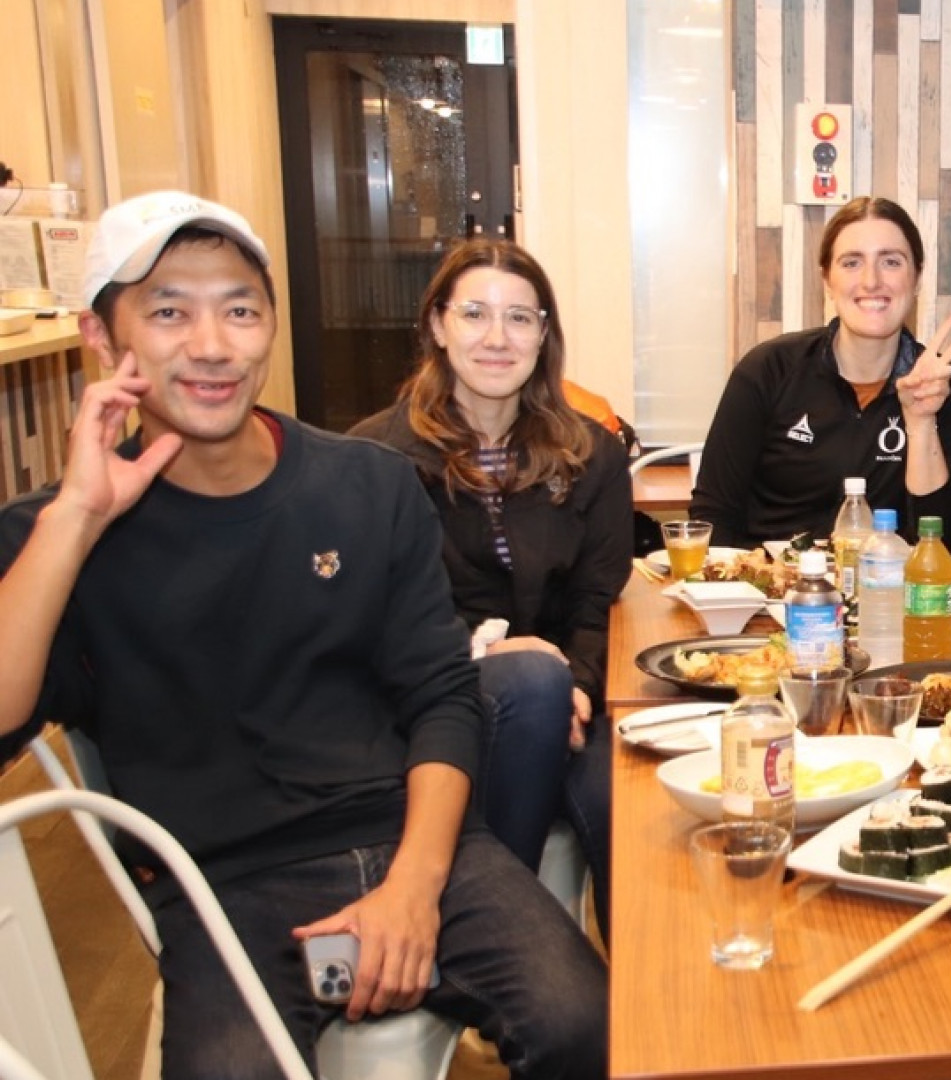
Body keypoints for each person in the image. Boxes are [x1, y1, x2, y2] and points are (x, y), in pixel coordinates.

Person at [0, 191, 606, 1076]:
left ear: (270, 327)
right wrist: (76, 518)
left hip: (412, 838)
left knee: (589, 1023)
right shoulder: (50, 535)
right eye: (168, 311)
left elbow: (442, 697)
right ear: (103, 337)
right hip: (221, 884)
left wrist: (414, 885)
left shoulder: (367, 484)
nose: (212, 345)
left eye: (239, 310)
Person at [350, 238, 628, 939]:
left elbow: (596, 602)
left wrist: (579, 687)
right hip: (434, 711)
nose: (497, 338)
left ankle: (646, 1018)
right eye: (474, 314)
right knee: (529, 681)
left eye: (520, 319)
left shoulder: (593, 454)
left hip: (566, 699)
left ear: (544, 335)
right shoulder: (372, 459)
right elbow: (374, 622)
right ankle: (494, 944)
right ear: (438, 326)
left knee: (628, 801)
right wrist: (501, 656)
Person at [690, 196, 951, 548]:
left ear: (917, 278)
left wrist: (920, 423)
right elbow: (714, 516)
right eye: (852, 263)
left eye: (891, 262)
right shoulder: (769, 370)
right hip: (770, 592)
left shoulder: (947, 388)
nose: (871, 281)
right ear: (827, 281)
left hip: (889, 596)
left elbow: (948, 547)